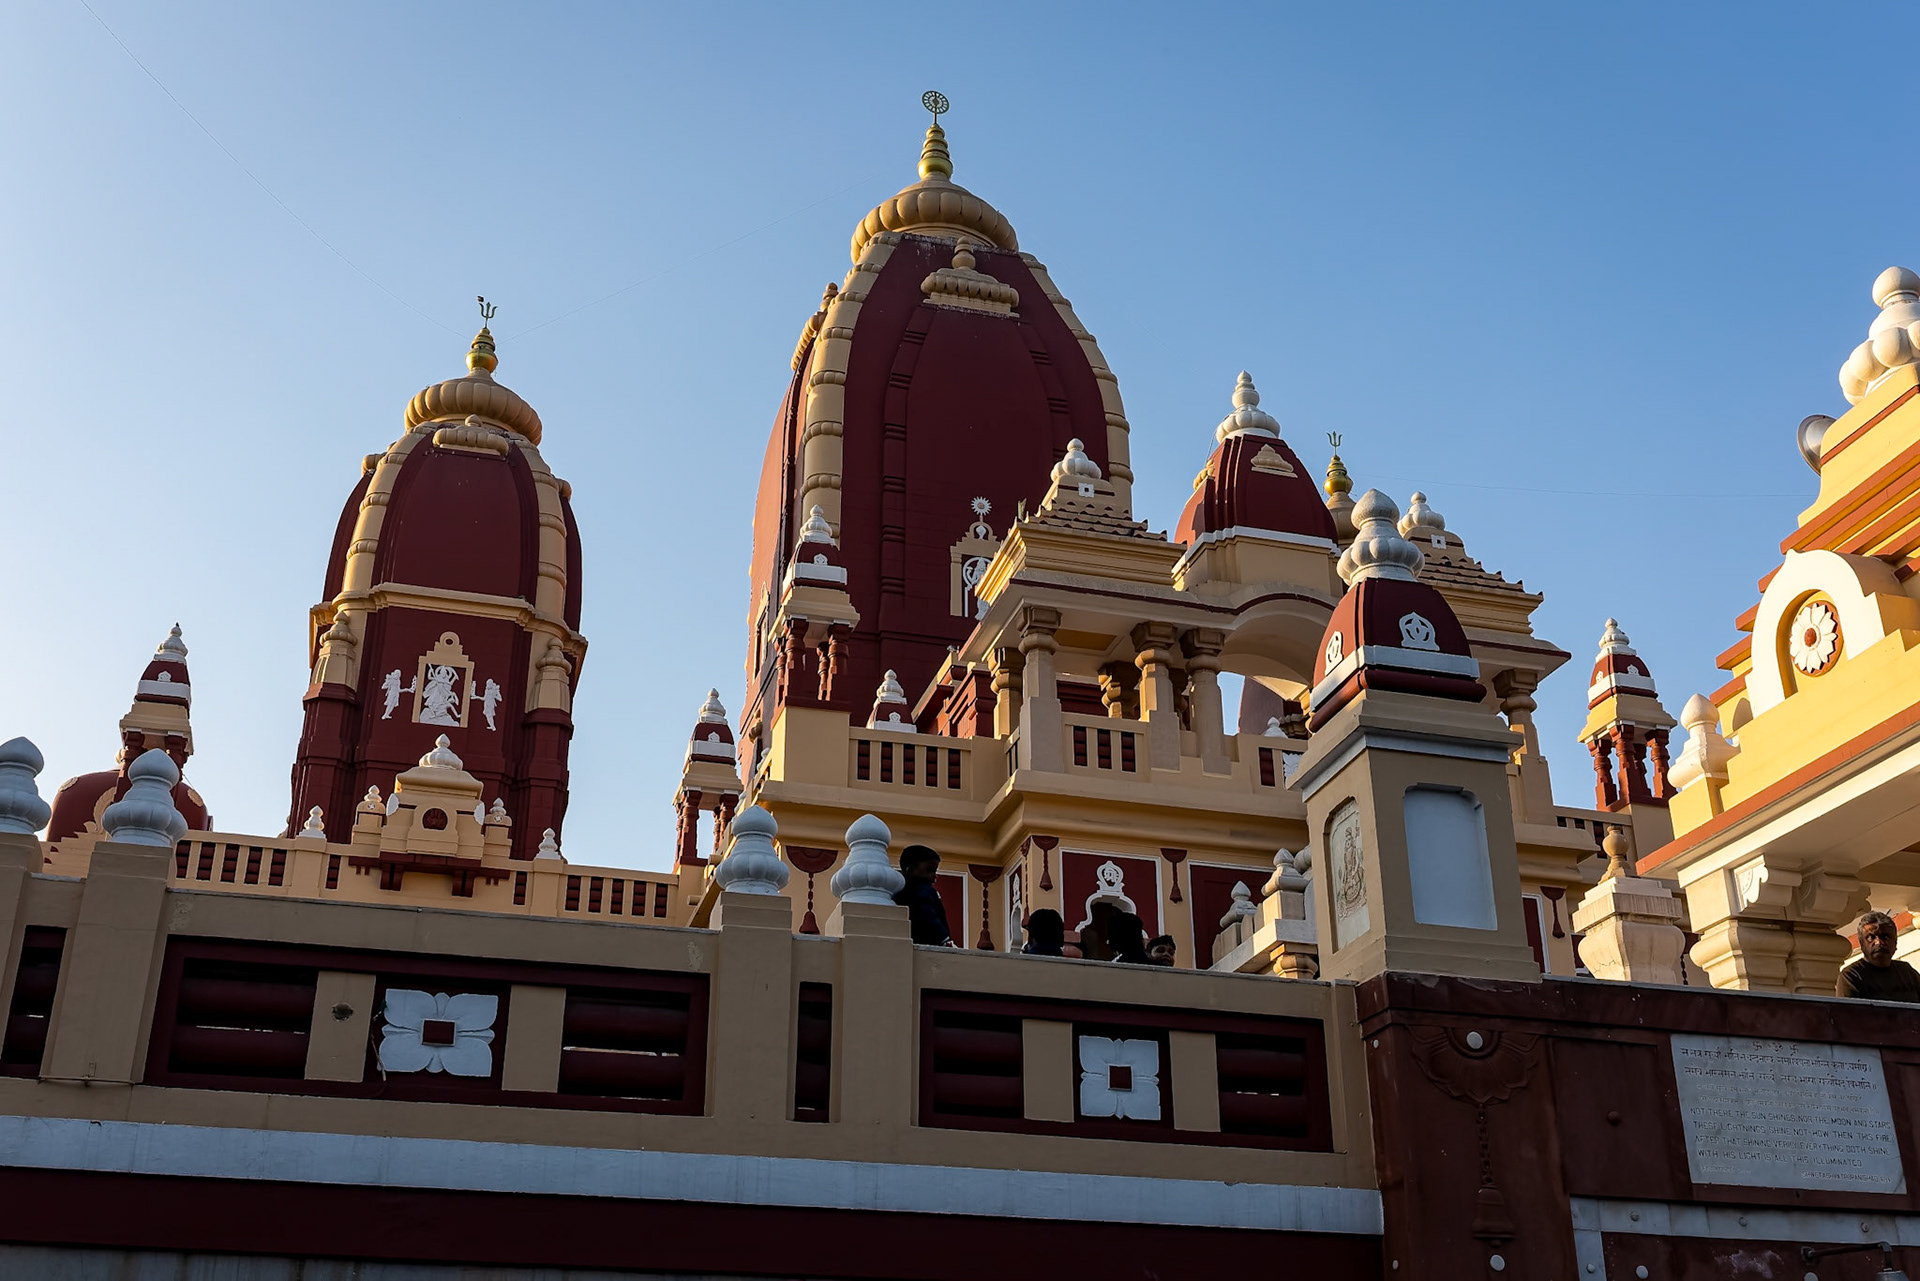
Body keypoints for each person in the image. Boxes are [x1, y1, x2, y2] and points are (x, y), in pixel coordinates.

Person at [1836, 911, 1920, 1002]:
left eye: (1885, 937)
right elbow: (1848, 1013)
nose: (1879, 942)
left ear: (1895, 942)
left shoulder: (1907, 973)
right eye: (1870, 937)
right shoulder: (1852, 976)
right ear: (1861, 944)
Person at [892, 844, 955, 947]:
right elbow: (927, 916)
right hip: (929, 943)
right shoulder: (925, 891)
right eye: (930, 870)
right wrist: (944, 939)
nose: (935, 876)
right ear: (910, 870)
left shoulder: (897, 891)